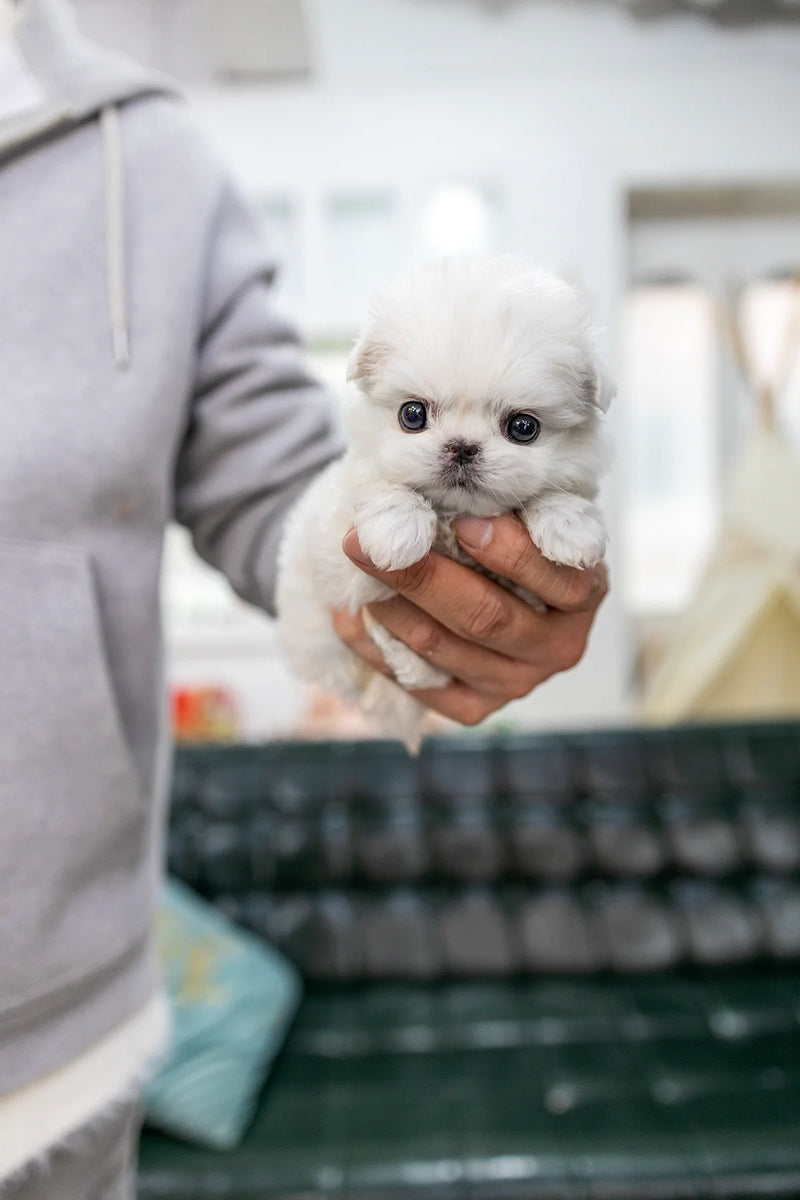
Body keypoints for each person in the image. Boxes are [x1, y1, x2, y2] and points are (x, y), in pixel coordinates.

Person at [0, 0, 607, 1194]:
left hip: (52, 1056)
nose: (463, 442)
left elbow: (274, 477)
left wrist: (392, 580)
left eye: (512, 423)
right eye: (424, 414)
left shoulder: (143, 153)